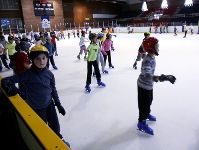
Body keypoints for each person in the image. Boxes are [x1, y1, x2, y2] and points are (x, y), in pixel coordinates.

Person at [1, 45, 70, 148]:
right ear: (32, 60)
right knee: (42, 129)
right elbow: (6, 80)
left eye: (43, 58)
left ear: (47, 59)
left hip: (49, 103)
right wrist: (9, 88)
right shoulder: (27, 74)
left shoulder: (49, 74)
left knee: (55, 125)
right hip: (37, 107)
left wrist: (58, 104)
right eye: (37, 58)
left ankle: (58, 138)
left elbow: (53, 90)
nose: (41, 61)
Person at [137, 37, 176, 135]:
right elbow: (148, 75)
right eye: (156, 46)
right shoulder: (147, 60)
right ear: (150, 48)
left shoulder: (152, 57)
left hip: (149, 85)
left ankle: (147, 114)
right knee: (144, 104)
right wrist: (162, 78)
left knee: (149, 100)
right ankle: (141, 122)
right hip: (143, 85)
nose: (158, 48)